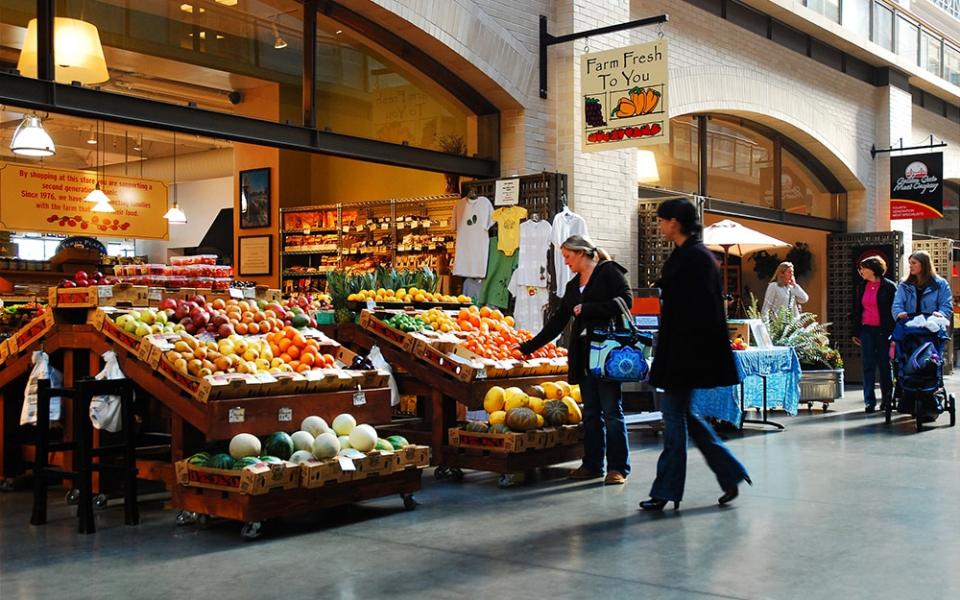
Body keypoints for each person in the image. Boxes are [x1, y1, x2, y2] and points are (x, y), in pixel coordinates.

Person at [640, 199, 750, 511]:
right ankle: (730, 473)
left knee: (674, 418)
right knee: (683, 415)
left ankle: (666, 490)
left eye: (662, 220)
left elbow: (700, 312)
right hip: (680, 352)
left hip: (684, 354)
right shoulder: (690, 255)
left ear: (675, 221)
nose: (660, 225)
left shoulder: (696, 258)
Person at [518, 235, 632, 485]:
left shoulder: (608, 272)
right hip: (583, 356)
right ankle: (592, 464)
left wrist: (589, 309)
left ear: (581, 253)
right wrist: (527, 348)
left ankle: (618, 468)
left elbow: (626, 301)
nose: (566, 262)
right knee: (591, 412)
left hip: (607, 354)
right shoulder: (572, 286)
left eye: (568, 257)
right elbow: (557, 322)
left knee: (612, 412)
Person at [851, 255, 897, 413]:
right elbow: (858, 310)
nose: (861, 271)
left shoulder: (890, 287)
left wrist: (895, 335)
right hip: (867, 330)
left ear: (873, 269)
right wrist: (856, 332)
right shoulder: (861, 286)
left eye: (864, 268)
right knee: (868, 366)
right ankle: (869, 401)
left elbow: (894, 312)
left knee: (885, 366)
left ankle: (887, 399)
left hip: (884, 331)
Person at [892, 251, 953, 321]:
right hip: (908, 327)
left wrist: (941, 314)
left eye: (914, 263)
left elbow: (946, 305)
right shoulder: (904, 284)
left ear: (924, 264)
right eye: (910, 263)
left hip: (933, 327)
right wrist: (899, 313)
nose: (910, 266)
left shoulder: (941, 284)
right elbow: (897, 304)